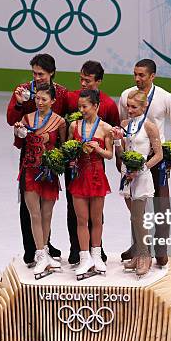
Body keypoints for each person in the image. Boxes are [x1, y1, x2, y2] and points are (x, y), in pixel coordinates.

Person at [118, 59, 171, 267]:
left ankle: (161, 249)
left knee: (161, 204)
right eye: (135, 74)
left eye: (142, 75)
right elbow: (124, 126)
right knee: (136, 205)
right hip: (134, 153)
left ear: (152, 76)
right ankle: (138, 246)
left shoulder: (165, 97)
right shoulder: (126, 96)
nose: (137, 78)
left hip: (157, 157)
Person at [7, 54, 68, 266]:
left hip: (51, 156)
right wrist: (18, 102)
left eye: (41, 74)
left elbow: (68, 120)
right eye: (34, 73)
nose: (37, 77)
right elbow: (11, 119)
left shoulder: (61, 93)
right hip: (30, 154)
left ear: (51, 73)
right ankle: (30, 249)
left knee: (47, 207)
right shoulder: (24, 90)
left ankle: (46, 245)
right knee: (29, 206)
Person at [65, 61, 120, 265]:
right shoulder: (73, 106)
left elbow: (115, 136)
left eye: (87, 80)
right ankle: (79, 252)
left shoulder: (108, 108)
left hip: (96, 169)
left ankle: (97, 252)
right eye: (81, 79)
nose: (83, 83)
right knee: (77, 213)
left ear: (98, 81)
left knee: (96, 216)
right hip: (76, 168)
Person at [112, 90, 163, 278]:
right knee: (133, 217)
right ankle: (137, 252)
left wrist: (141, 168)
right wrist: (117, 140)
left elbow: (159, 155)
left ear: (144, 106)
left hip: (141, 177)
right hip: (127, 176)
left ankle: (145, 255)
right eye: (128, 106)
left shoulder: (150, 127)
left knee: (138, 217)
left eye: (134, 107)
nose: (130, 110)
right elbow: (121, 153)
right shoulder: (125, 124)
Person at [67, 89, 114, 280]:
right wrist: (71, 156)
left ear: (96, 106)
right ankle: (84, 257)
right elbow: (69, 148)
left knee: (96, 219)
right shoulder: (74, 126)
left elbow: (110, 155)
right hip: (79, 175)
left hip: (96, 175)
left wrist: (99, 149)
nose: (81, 109)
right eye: (79, 106)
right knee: (81, 219)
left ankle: (97, 255)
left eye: (85, 106)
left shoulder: (106, 128)